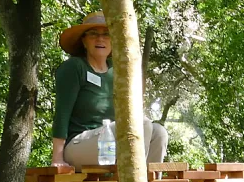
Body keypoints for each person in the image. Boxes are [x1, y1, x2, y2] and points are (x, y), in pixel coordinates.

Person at [51, 12, 169, 171]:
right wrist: (57, 158)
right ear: (84, 41)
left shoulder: (118, 72)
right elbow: (62, 114)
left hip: (111, 143)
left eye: (106, 34)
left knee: (159, 132)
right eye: (93, 34)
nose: (100, 39)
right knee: (142, 124)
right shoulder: (75, 67)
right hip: (79, 146)